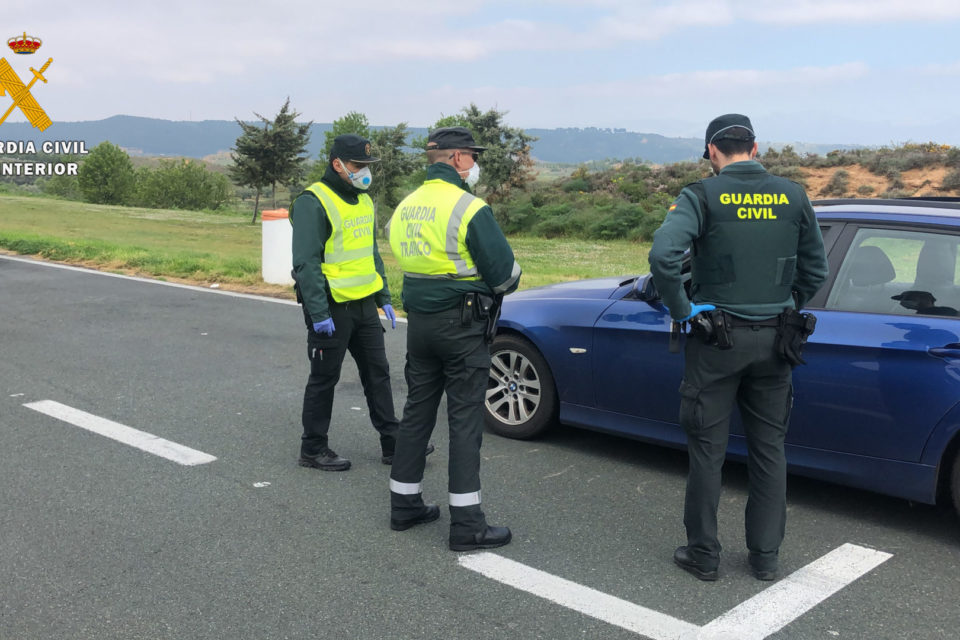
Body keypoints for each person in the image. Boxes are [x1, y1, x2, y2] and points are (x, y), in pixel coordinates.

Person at [648, 114, 828, 581]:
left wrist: (683, 309)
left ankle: (703, 554)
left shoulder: (701, 195)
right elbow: (816, 271)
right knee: (770, 449)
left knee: (707, 450)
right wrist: (785, 306)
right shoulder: (793, 194)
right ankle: (765, 558)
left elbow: (664, 256)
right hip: (776, 341)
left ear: (712, 151)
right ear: (755, 146)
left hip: (717, 341)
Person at [386, 126, 522, 551]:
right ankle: (467, 525)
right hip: (462, 326)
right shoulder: (469, 207)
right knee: (464, 420)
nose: (474, 164)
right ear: (459, 158)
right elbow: (505, 275)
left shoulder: (405, 206)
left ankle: (404, 505)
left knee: (417, 412)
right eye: (472, 156)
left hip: (420, 324)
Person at [291, 133, 432, 471]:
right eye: (358, 165)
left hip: (364, 304)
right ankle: (312, 448)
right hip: (332, 307)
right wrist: (318, 311)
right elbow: (306, 262)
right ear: (337, 163)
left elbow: (370, 252)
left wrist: (383, 294)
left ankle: (392, 442)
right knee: (325, 378)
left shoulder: (365, 201)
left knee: (378, 373)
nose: (364, 171)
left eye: (368, 165)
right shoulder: (313, 201)